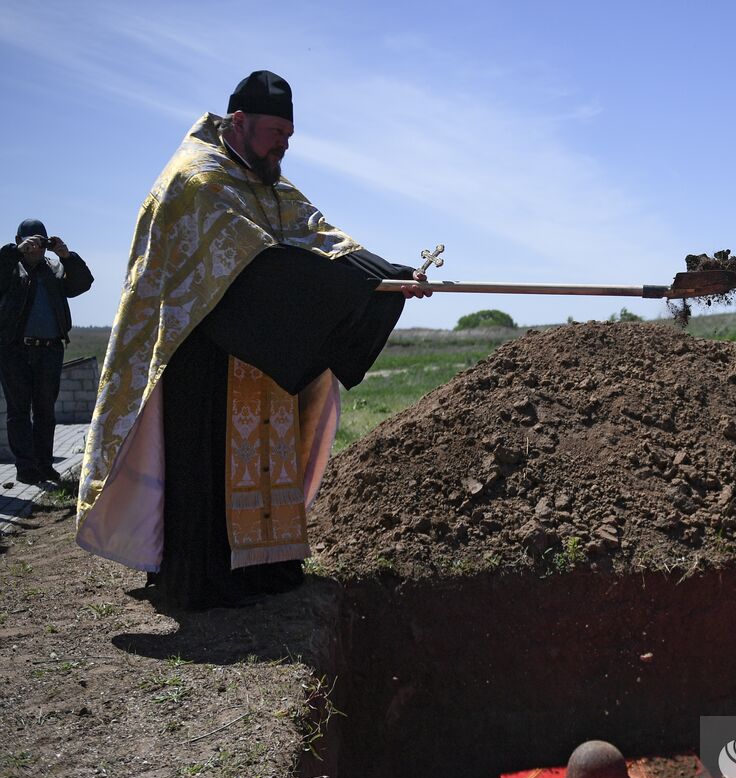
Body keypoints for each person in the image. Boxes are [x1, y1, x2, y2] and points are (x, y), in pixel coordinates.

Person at [77, 70, 432, 610]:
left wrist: (388, 277)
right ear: (238, 123)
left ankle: (266, 568)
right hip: (199, 352)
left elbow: (321, 236)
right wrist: (354, 284)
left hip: (261, 351)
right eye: (274, 134)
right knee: (205, 468)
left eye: (289, 137)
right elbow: (255, 261)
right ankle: (204, 579)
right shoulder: (197, 179)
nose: (283, 146)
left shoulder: (270, 184)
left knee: (267, 460)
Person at [0, 219, 94, 485]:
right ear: (18, 240)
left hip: (50, 349)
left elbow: (82, 285)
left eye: (40, 242)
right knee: (19, 411)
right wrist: (14, 252)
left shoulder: (54, 268)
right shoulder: (9, 268)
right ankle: (25, 468)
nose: (35, 248)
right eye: (29, 242)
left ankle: (44, 465)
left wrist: (68, 257)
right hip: (15, 350)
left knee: (45, 411)